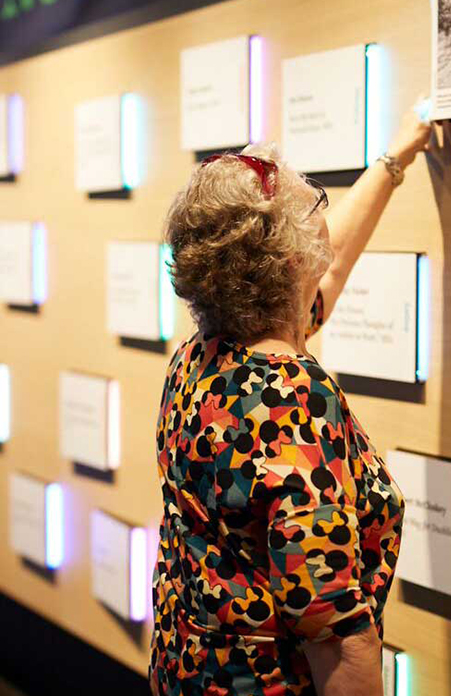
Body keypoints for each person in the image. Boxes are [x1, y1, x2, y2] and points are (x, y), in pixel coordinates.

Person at [149, 106, 432, 696]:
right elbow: (336, 630)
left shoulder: (200, 359)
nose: (323, 216)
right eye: (314, 205)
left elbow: (329, 274)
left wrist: (394, 159)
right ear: (289, 261)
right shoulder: (294, 403)